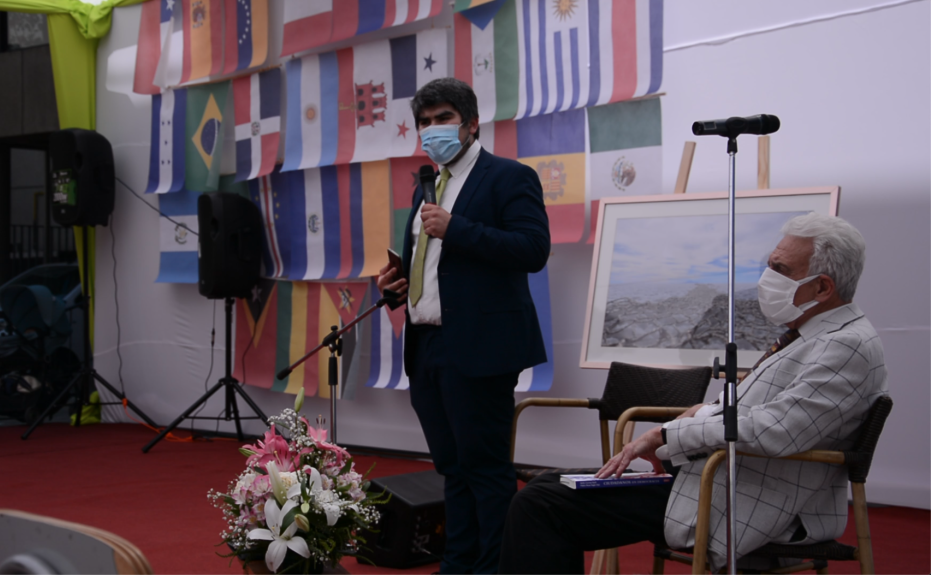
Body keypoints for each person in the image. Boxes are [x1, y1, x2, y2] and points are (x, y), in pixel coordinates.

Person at [499, 213, 888, 573]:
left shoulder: (845, 345)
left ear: (822, 287)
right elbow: (757, 412)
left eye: (780, 270)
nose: (767, 277)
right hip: (716, 482)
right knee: (550, 489)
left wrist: (664, 434)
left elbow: (777, 429)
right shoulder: (816, 336)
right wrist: (701, 413)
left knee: (542, 506)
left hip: (745, 501)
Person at [376, 78, 551, 574]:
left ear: (472, 124)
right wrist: (395, 287)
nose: (433, 129)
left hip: (480, 347)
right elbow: (433, 272)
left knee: (486, 470)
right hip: (427, 344)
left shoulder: (509, 177)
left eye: (444, 118)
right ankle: (458, 563)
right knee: (451, 467)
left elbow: (532, 250)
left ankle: (492, 567)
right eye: (425, 122)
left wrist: (458, 228)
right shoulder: (427, 185)